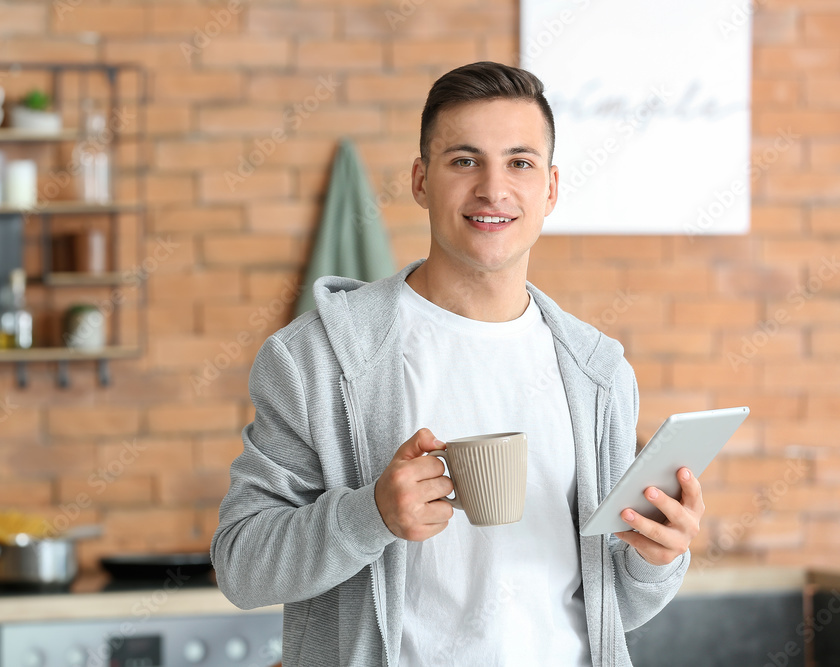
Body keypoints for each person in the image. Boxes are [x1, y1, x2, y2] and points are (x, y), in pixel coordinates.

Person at [211, 61, 703, 667]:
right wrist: (371, 515)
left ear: (550, 188)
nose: (493, 189)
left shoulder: (598, 373)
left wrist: (659, 556)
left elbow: (611, 607)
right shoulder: (315, 358)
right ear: (421, 181)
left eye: (519, 163)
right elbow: (241, 566)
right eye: (464, 161)